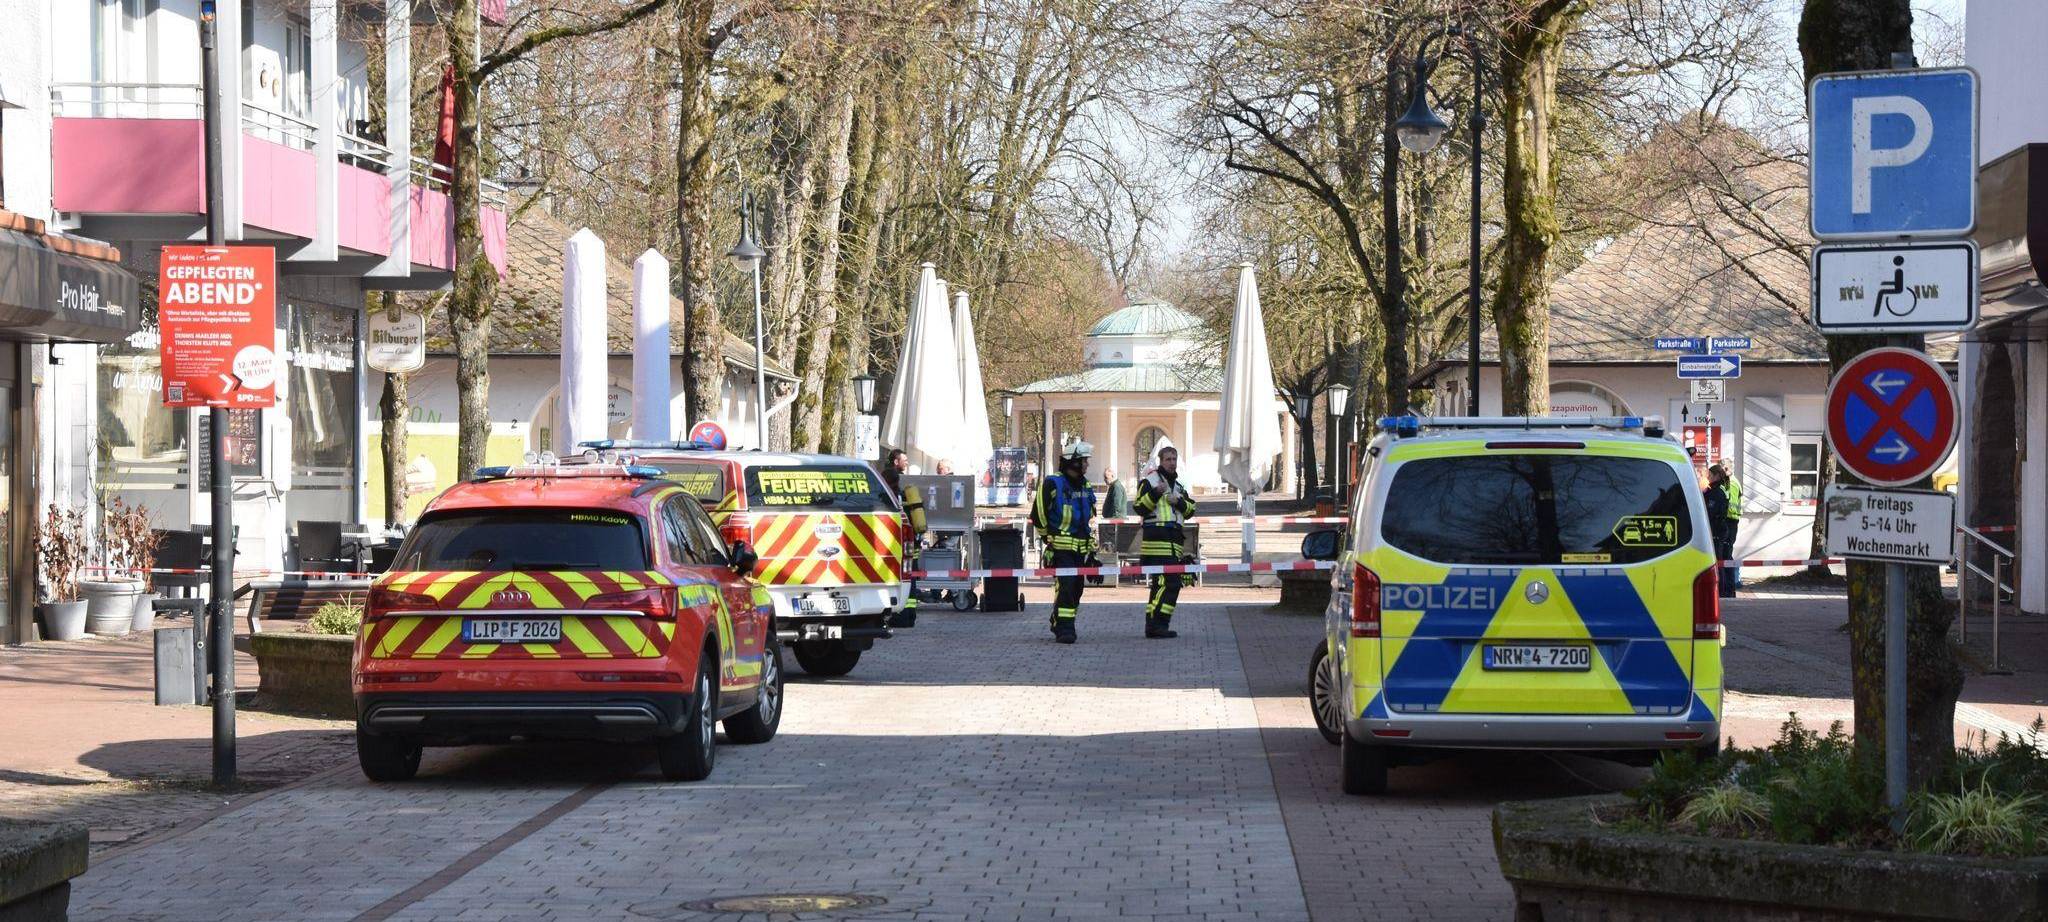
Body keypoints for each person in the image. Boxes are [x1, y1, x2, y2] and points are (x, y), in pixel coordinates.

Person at [1031, 441, 1097, 644]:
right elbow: (1038, 514)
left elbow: (1088, 519)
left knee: (1077, 588)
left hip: (1081, 549)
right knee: (1066, 586)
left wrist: (1092, 553)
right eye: (1084, 461)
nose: (1087, 465)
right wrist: (1048, 540)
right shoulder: (1053, 483)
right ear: (1074, 462)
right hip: (1061, 549)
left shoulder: (1085, 485)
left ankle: (1059, 619)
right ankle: (1065, 629)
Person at [1132, 445, 1197, 639]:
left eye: (1174, 459)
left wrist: (1179, 502)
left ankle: (1157, 624)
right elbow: (1138, 507)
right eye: (1168, 459)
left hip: (1174, 544)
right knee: (1168, 584)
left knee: (1164, 585)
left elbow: (1191, 510)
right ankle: (1156, 624)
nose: (1171, 463)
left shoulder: (1178, 486)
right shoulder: (1149, 482)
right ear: (1160, 461)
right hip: (1156, 544)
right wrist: (1155, 493)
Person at [880, 448, 925, 626]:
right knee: (910, 579)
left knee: (896, 580)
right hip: (911, 545)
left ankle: (897, 616)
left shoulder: (886, 498)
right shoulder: (905, 495)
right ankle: (909, 615)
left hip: (895, 546)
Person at [1703, 462, 1741, 598]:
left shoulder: (1726, 487)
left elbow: (1712, 511)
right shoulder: (1722, 487)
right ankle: (1727, 591)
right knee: (1725, 559)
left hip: (1724, 526)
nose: (1708, 478)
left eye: (1710, 475)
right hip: (1725, 525)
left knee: (1723, 560)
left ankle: (1725, 591)